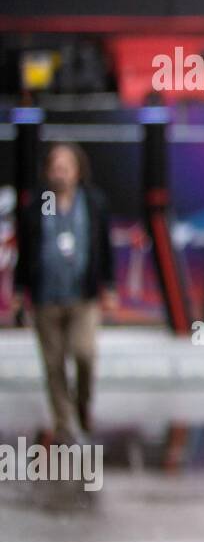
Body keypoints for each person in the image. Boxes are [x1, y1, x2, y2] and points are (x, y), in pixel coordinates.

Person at [14, 143, 116, 441]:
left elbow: (104, 247)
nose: (60, 173)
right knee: (53, 363)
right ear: (48, 172)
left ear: (78, 170)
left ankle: (82, 404)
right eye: (55, 167)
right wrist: (20, 291)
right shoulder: (36, 205)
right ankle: (63, 426)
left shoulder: (93, 202)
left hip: (83, 296)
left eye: (66, 167)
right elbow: (26, 251)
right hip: (46, 296)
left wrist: (109, 286)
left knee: (84, 353)